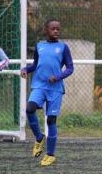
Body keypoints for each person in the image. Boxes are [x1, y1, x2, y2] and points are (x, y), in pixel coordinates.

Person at [20, 19, 74, 166]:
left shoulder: (63, 47)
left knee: (51, 120)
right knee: (29, 109)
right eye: (53, 29)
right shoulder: (40, 46)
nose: (56, 31)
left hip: (55, 89)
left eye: (58, 29)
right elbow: (35, 65)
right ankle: (39, 137)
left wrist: (57, 77)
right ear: (46, 30)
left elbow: (70, 68)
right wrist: (25, 70)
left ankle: (50, 155)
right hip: (39, 86)